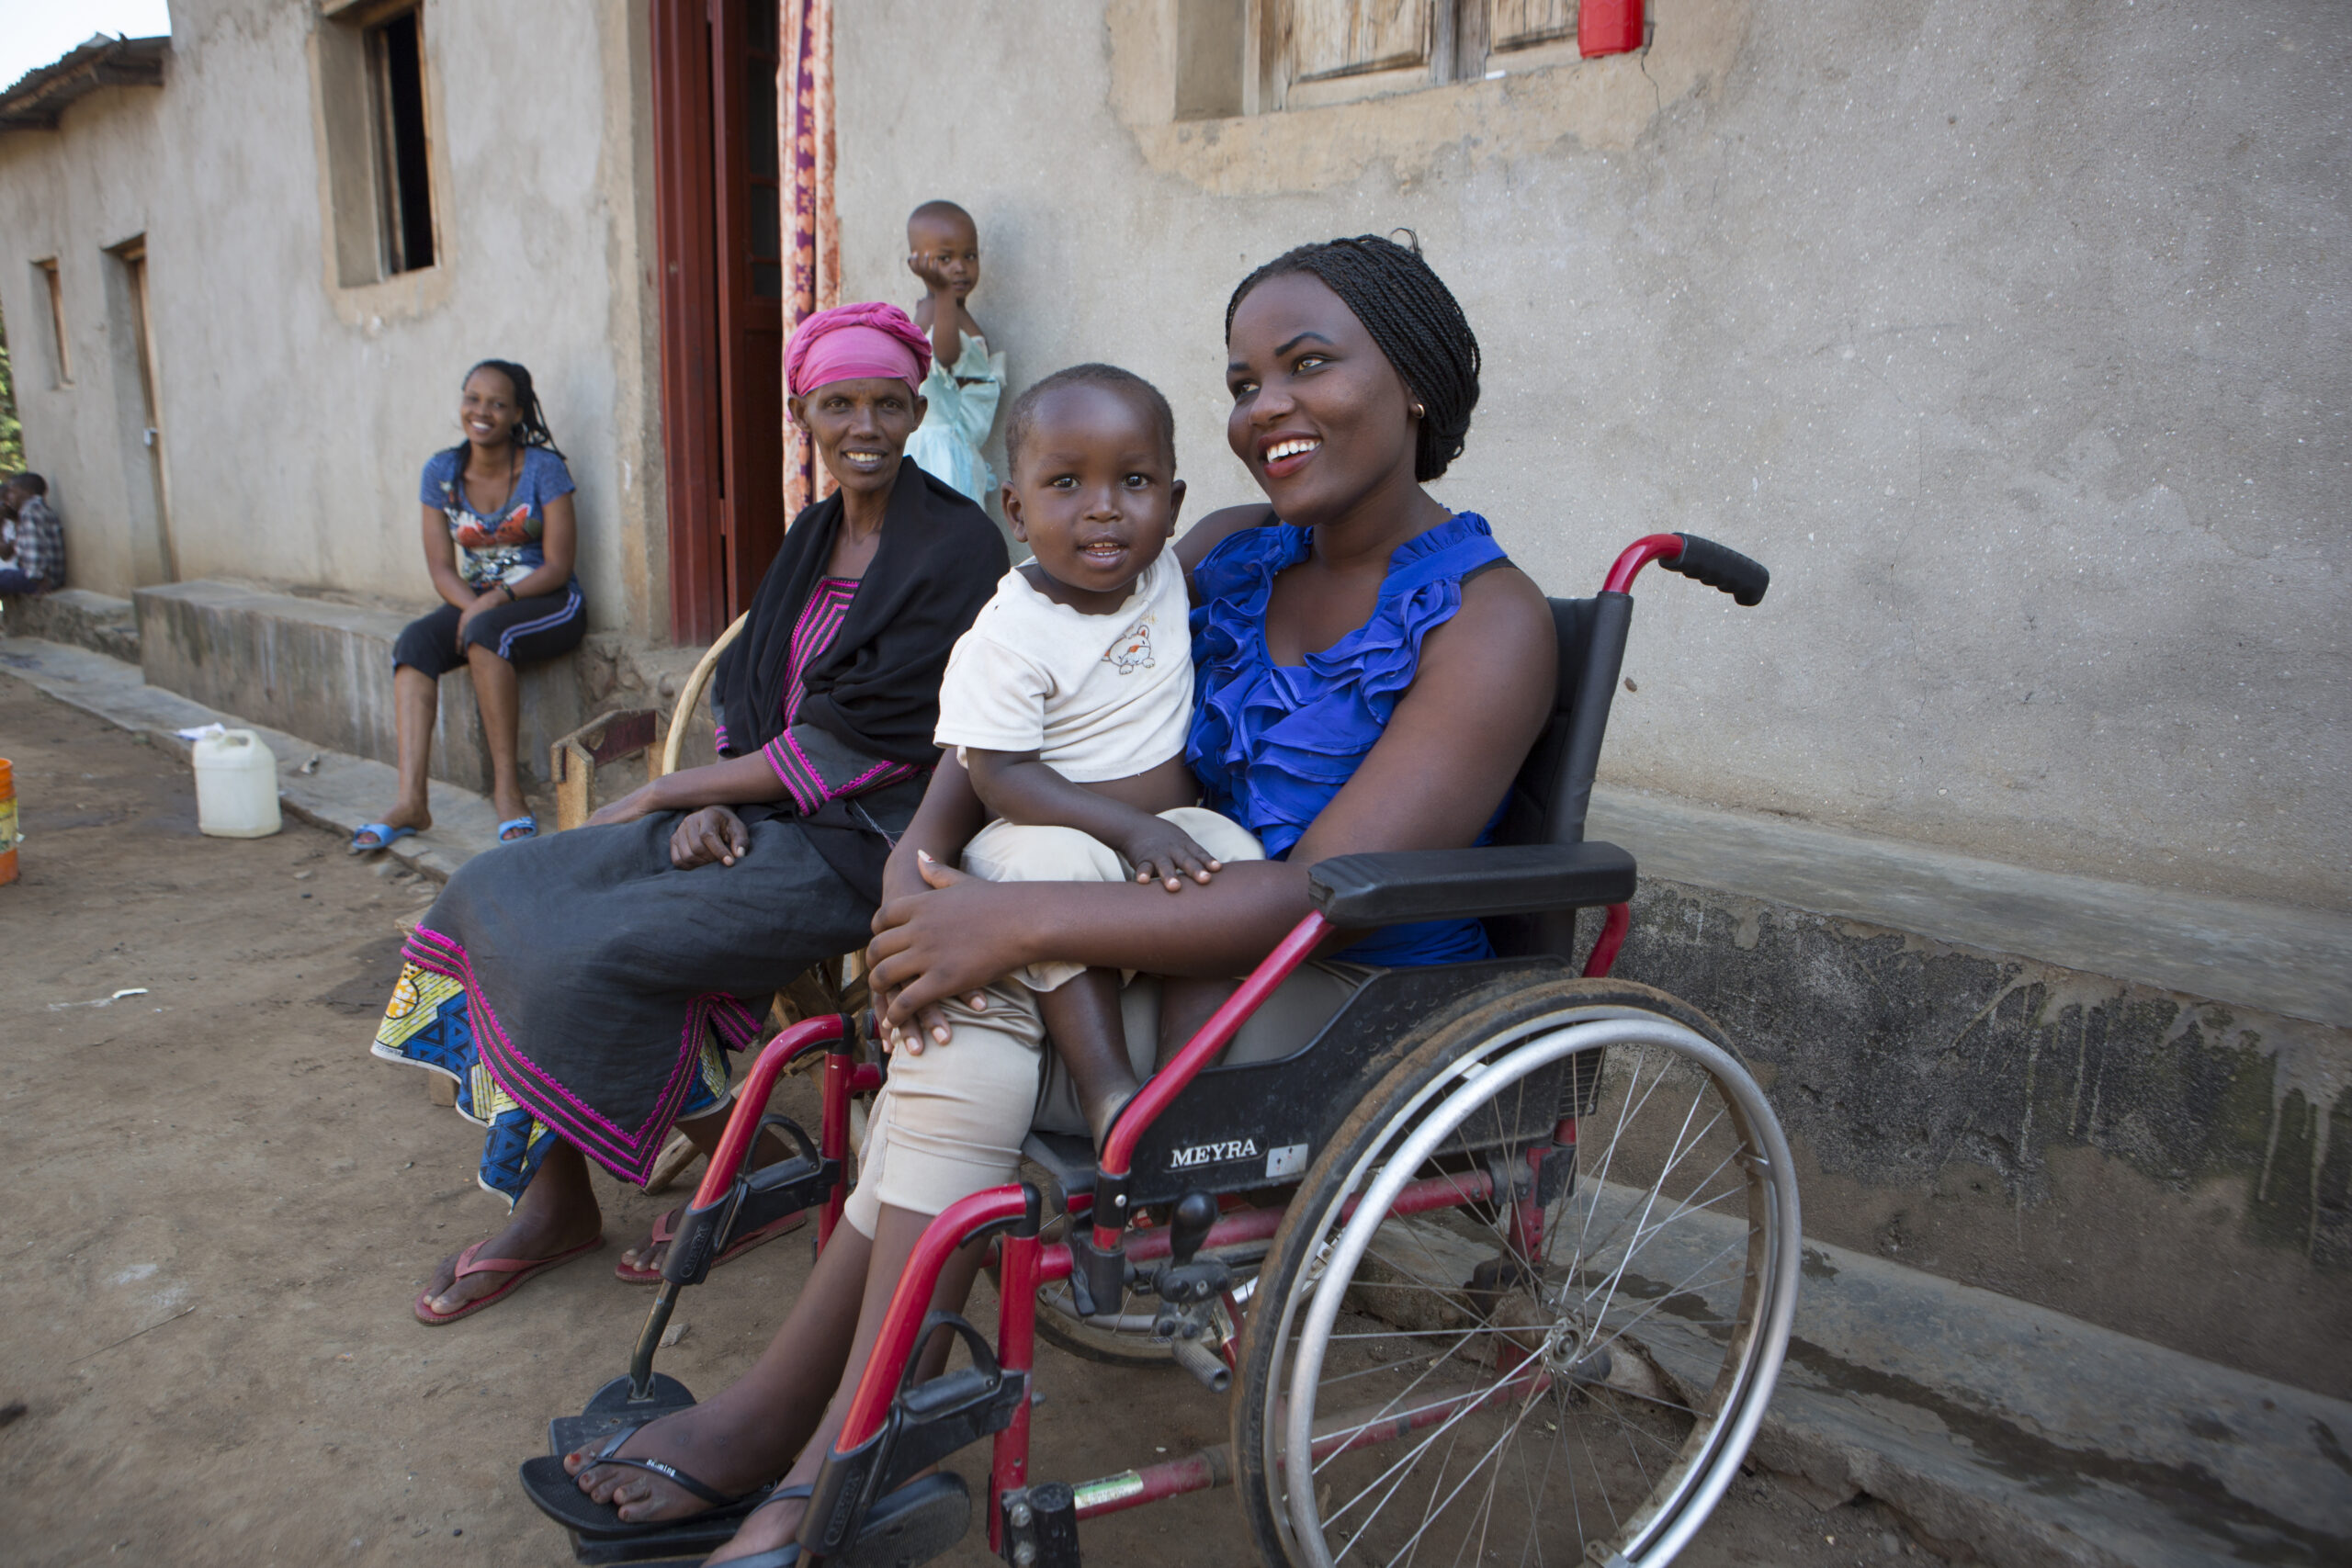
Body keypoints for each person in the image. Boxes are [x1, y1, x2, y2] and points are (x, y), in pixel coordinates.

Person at [543, 233, 1560, 1567]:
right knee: (961, 987)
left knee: (977, 978)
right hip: (1166, 935)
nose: (1269, 410)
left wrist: (1014, 918)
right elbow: (1035, 692)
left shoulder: (1489, 619)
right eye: (1245, 380)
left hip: (1335, 1000)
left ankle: (803, 1447)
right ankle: (808, 1445)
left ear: (1416, 381)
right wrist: (930, 851)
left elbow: (1321, 892)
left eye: (1308, 365)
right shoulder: (1232, 552)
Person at [374, 302, 1006, 1325]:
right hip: (757, 810)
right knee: (491, 889)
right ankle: (556, 1199)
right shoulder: (814, 532)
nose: (865, 427)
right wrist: (708, 802)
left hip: (870, 841)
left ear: (917, 405)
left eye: (888, 403)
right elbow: (754, 690)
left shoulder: (958, 546)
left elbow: (879, 739)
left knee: (594, 953)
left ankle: (753, 1166)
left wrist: (676, 788)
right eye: (838, 404)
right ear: (803, 412)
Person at [937, 362, 1259, 1150]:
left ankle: (1187, 1085)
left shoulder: (1164, 579)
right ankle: (1106, 1086)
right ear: (1015, 509)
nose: (1105, 507)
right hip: (1041, 833)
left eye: (1136, 480)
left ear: (1174, 504)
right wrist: (1126, 830)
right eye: (1067, 483)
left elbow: (1276, 514)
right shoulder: (1009, 634)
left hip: (1162, 829)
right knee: (1063, 864)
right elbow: (999, 777)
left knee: (1234, 862)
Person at [353, 360, 585, 851]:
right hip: (477, 603)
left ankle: (508, 795)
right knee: (414, 644)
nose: (482, 412)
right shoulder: (441, 472)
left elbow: (559, 565)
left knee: (486, 635)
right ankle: (411, 800)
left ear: (517, 413)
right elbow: (441, 568)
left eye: (498, 404)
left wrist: (494, 602)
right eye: (473, 399)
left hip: (547, 599)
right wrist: (473, 605)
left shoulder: (543, 469)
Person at [902, 199, 1005, 509]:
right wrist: (944, 293)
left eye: (969, 256)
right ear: (918, 263)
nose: (959, 267)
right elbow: (945, 357)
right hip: (940, 453)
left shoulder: (945, 309)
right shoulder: (936, 308)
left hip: (954, 446)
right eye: (945, 258)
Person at [0, 472, 64, 597]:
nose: (9, 499)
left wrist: (37, 579)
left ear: (26, 492)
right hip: (45, 576)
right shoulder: (39, 508)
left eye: (12, 492)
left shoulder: (30, 512)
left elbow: (35, 549)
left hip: (41, 579)